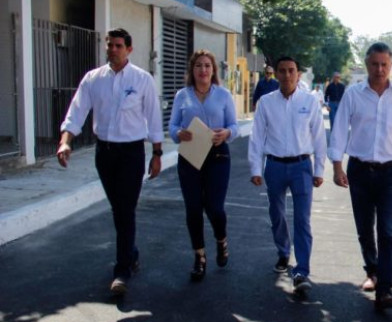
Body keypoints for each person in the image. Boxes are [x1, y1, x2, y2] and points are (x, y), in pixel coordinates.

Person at [57, 28, 164, 296]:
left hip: (131, 153)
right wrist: (65, 141)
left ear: (129, 49)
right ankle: (132, 252)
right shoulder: (93, 79)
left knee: (125, 210)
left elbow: (153, 118)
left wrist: (157, 154)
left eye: (118, 45)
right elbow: (76, 111)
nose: (113, 49)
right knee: (119, 208)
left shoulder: (142, 80)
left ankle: (122, 271)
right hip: (104, 154)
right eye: (110, 45)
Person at [328, 42, 392, 311]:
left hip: (391, 172)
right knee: (365, 229)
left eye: (384, 65)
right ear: (367, 64)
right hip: (360, 171)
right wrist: (336, 166)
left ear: (391, 66)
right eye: (375, 64)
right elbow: (340, 129)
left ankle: (385, 289)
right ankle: (372, 271)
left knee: (387, 232)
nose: (380, 69)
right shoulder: (354, 95)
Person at [248, 57, 326, 294]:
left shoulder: (309, 102)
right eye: (282, 71)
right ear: (276, 75)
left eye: (291, 71)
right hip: (275, 166)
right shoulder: (266, 102)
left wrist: (320, 169)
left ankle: (301, 270)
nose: (287, 75)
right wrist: (255, 168)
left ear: (298, 74)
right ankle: (283, 252)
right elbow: (257, 136)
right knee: (277, 213)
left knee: (302, 219)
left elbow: (319, 137)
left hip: (302, 166)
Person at [169, 50, 239, 281]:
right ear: (192, 70)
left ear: (213, 70)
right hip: (190, 155)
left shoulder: (223, 95)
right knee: (193, 208)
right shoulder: (182, 95)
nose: (203, 70)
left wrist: (227, 133)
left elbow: (234, 126)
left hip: (217, 155)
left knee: (214, 207)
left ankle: (221, 240)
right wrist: (179, 133)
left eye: (207, 66)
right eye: (199, 66)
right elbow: (172, 127)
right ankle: (199, 256)